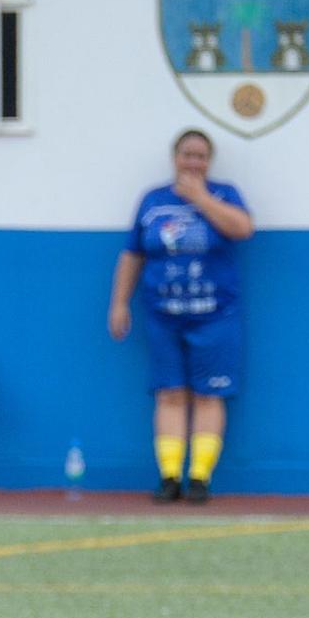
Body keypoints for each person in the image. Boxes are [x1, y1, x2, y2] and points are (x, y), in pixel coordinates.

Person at [107, 129, 254, 505]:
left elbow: (243, 229)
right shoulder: (153, 201)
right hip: (163, 315)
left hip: (215, 314)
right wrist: (119, 303)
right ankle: (170, 476)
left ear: (209, 161)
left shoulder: (224, 194)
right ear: (174, 157)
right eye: (187, 154)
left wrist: (200, 198)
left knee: (210, 394)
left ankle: (200, 477)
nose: (193, 161)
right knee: (169, 393)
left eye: (200, 155)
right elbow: (132, 255)